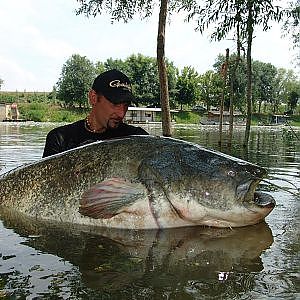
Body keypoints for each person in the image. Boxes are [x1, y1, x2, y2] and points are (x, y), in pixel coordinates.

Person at [42, 69, 148, 158]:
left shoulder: (138, 139)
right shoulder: (60, 139)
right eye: (115, 104)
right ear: (93, 98)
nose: (121, 114)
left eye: (126, 105)